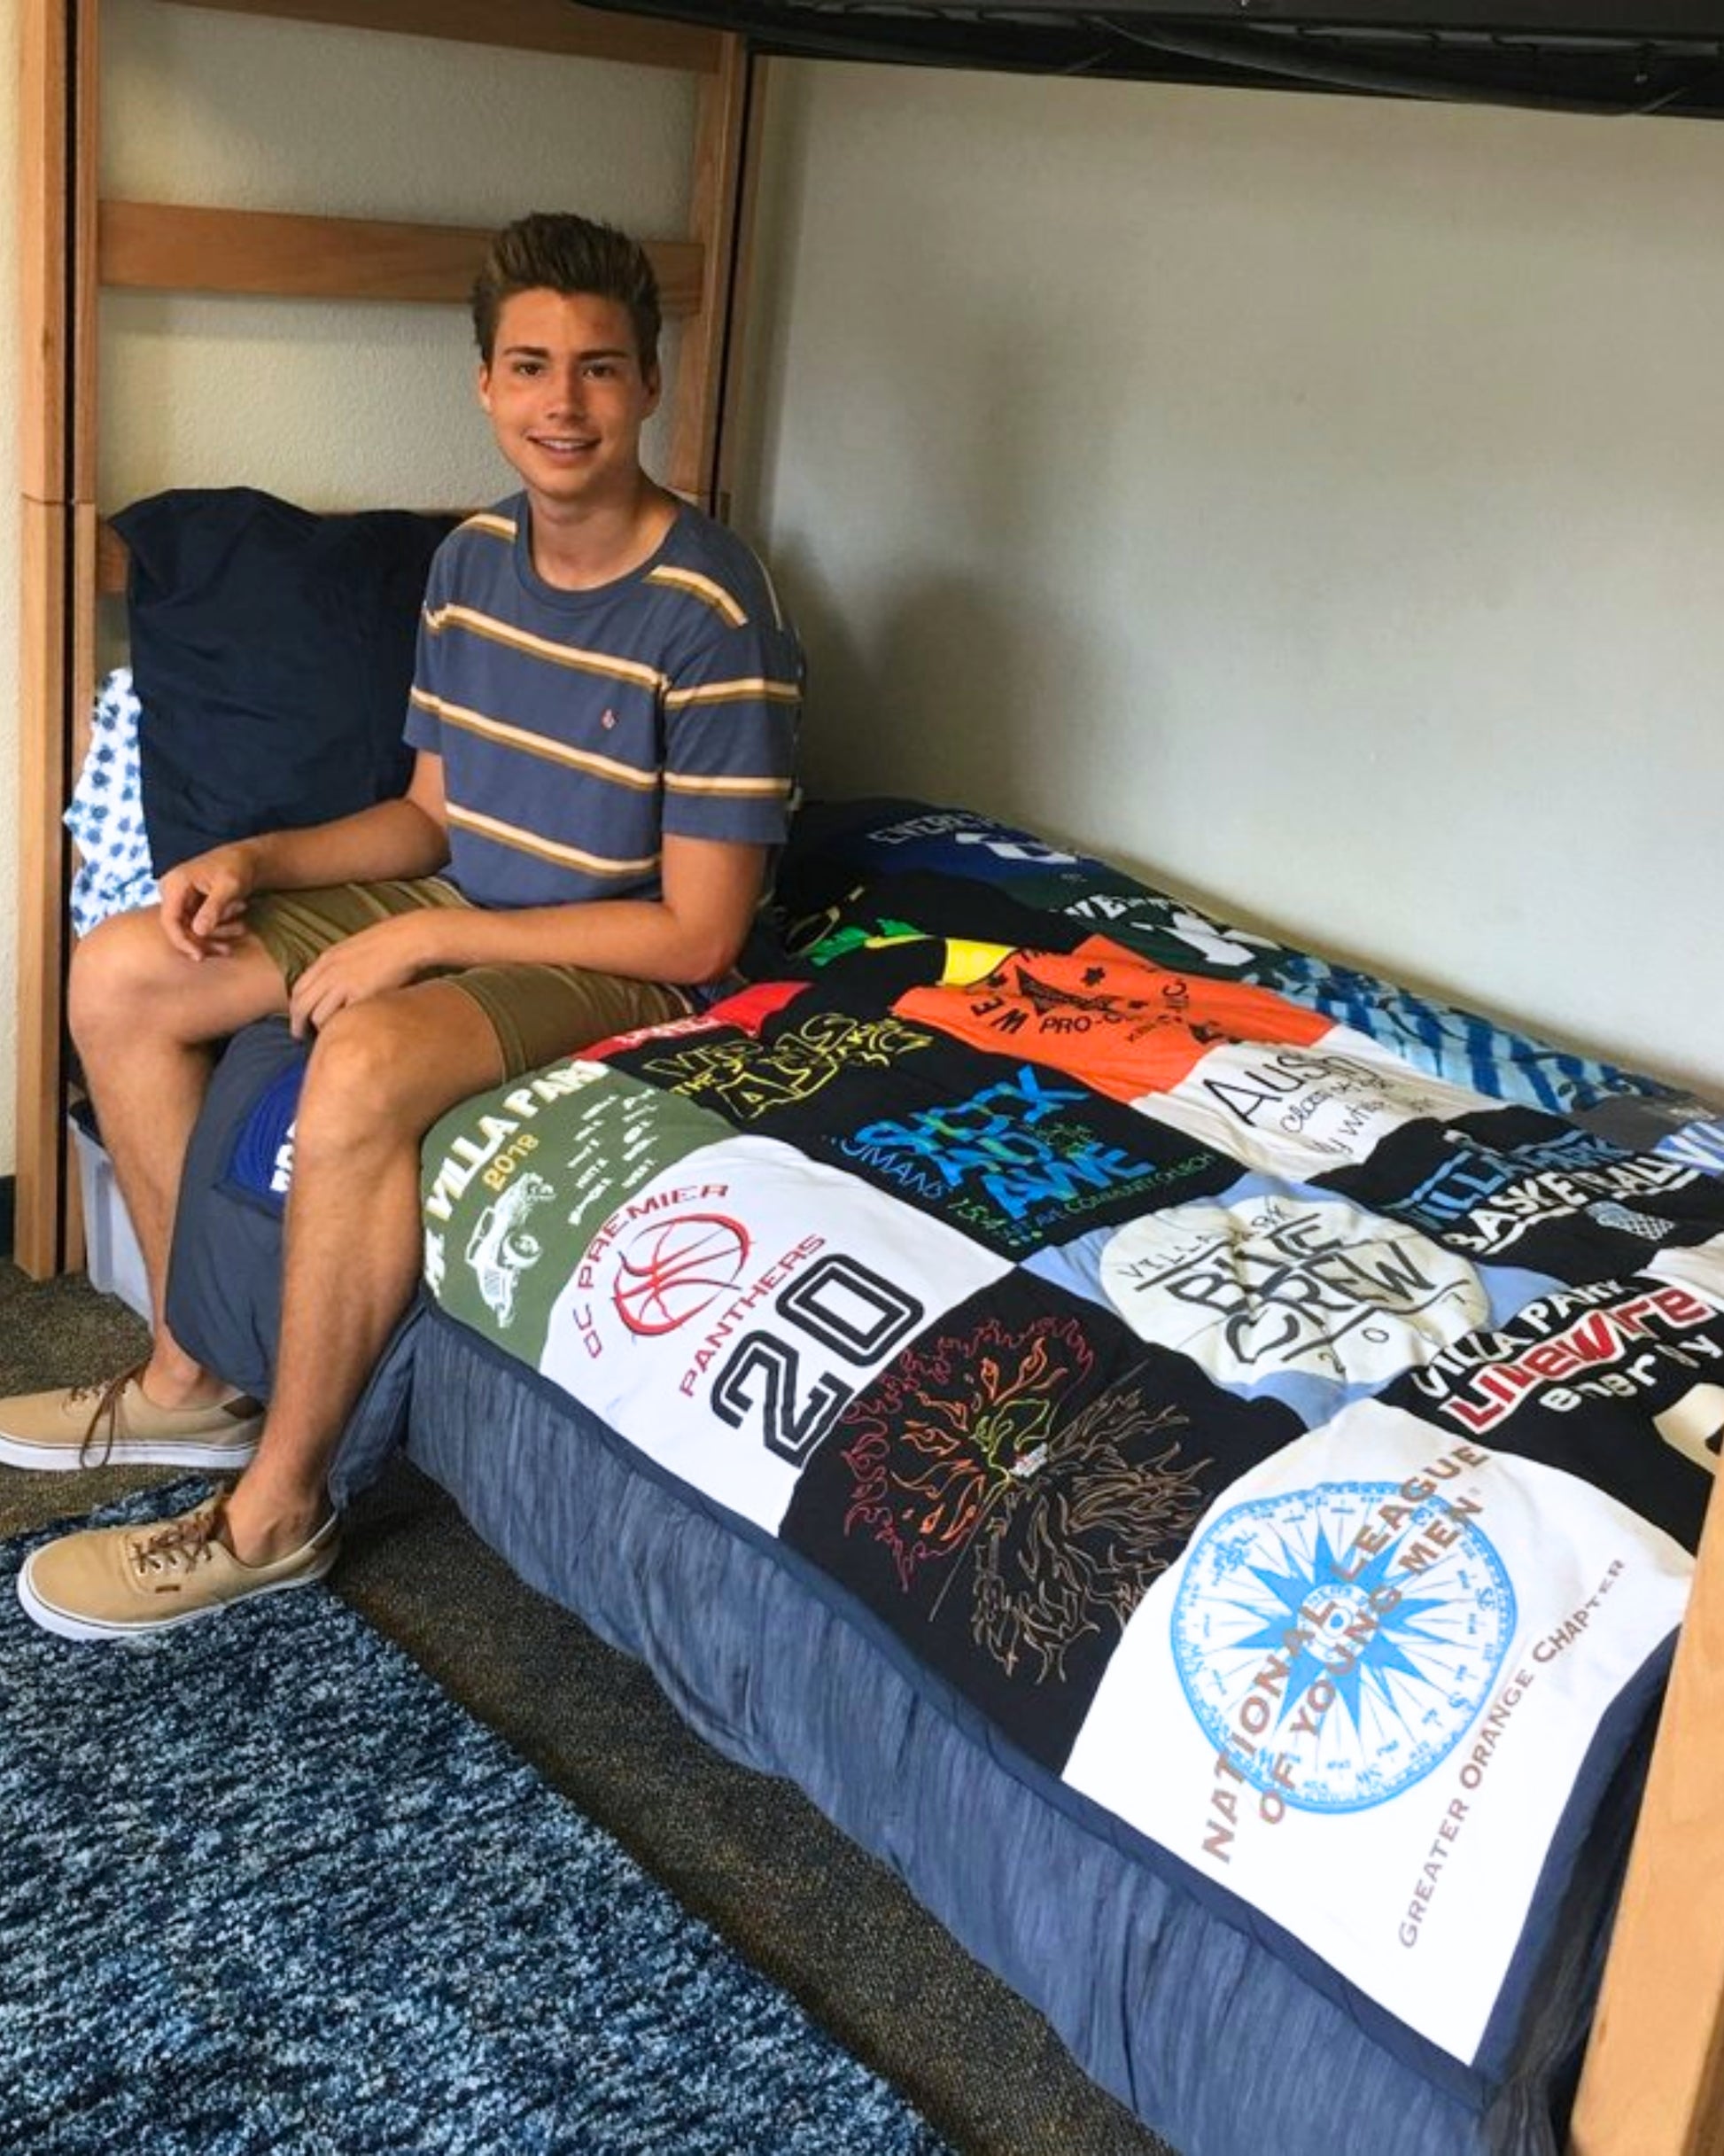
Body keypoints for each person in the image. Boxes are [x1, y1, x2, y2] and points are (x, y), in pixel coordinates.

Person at [3, 212, 803, 1641]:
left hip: (614, 952)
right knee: (124, 968)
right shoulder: (471, 561)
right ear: (486, 385)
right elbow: (431, 819)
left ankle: (277, 1506)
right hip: (475, 898)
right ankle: (199, 1373)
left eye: (601, 370)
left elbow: (694, 937)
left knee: (363, 1061)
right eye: (531, 367)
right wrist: (252, 856)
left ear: (650, 385)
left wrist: (427, 945)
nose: (564, 403)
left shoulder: (711, 605)